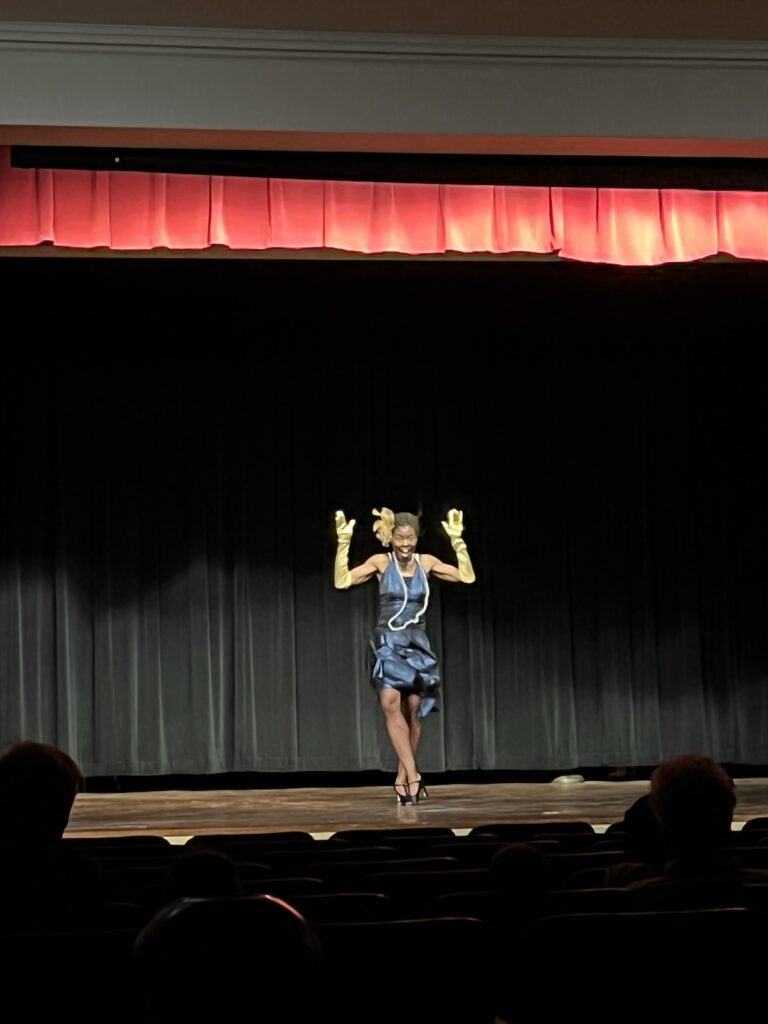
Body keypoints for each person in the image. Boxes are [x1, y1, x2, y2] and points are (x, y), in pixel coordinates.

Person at [334, 505, 475, 805]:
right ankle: (413, 775)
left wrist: (457, 541)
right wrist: (343, 543)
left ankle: (403, 776)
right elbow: (342, 580)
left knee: (415, 709)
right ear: (391, 537)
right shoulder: (380, 562)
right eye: (400, 538)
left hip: (417, 643)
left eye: (411, 538)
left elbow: (467, 577)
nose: (406, 544)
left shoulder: (427, 562)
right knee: (390, 703)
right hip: (387, 640)